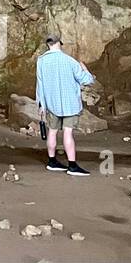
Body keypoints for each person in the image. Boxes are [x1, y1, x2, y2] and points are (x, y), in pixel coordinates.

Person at [35, 32, 94, 176]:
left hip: (51, 103)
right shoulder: (70, 61)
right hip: (70, 104)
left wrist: (41, 105)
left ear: (47, 44)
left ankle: (52, 161)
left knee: (52, 132)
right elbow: (87, 81)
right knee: (68, 133)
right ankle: (72, 166)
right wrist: (86, 70)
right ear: (59, 43)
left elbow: (40, 85)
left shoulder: (41, 61)